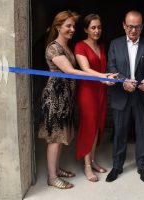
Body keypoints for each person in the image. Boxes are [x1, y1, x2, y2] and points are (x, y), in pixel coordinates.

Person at [38, 11, 112, 189]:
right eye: (68, 26)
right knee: (55, 137)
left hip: (65, 97)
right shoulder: (53, 47)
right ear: (58, 27)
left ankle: (56, 169)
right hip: (55, 97)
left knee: (61, 136)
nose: (72, 29)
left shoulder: (67, 47)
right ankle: (52, 177)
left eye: (73, 26)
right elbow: (70, 71)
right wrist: (99, 76)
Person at [106, 10, 144, 183]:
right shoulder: (115, 44)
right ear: (124, 25)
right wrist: (123, 82)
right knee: (119, 131)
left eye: (137, 27)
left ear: (142, 27)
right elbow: (112, 67)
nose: (133, 30)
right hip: (121, 94)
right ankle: (117, 166)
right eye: (130, 26)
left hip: (142, 95)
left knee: (142, 132)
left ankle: (142, 167)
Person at [74, 14, 114, 182]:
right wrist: (104, 76)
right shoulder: (79, 46)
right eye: (93, 27)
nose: (97, 30)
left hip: (101, 91)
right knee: (88, 126)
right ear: (85, 29)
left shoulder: (102, 46)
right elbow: (85, 69)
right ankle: (87, 166)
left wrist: (109, 75)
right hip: (87, 92)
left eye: (99, 27)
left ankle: (92, 160)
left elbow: (104, 67)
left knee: (98, 125)